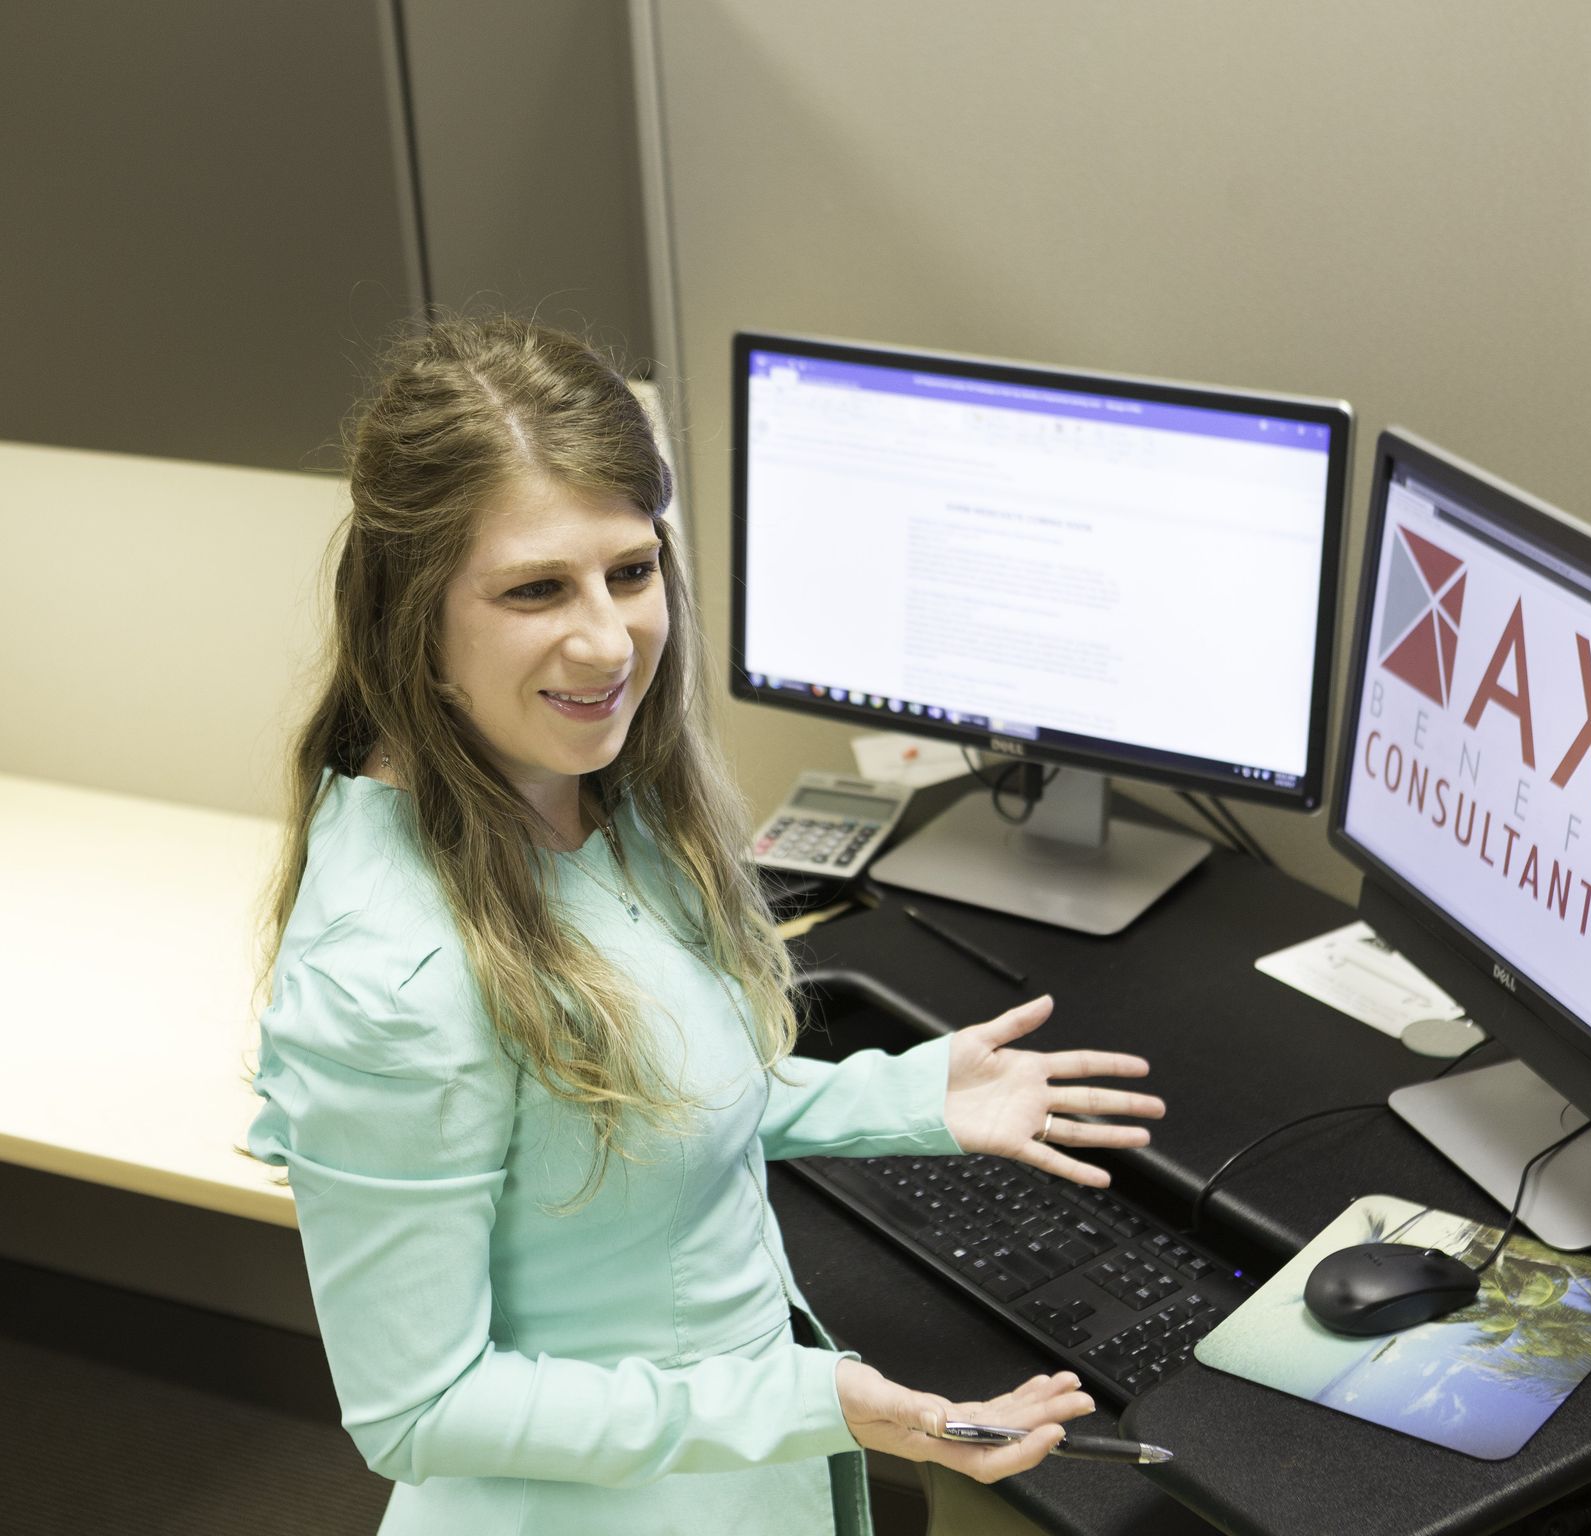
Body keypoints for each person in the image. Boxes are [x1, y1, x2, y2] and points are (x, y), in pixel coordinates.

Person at [247, 314, 1166, 1535]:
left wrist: (903, 1098)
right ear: (410, 611)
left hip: (728, 1475)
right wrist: (807, 1399)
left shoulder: (584, 794)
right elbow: (419, 1410)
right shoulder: (390, 983)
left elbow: (628, 1105)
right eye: (535, 589)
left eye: (629, 572)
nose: (605, 638)